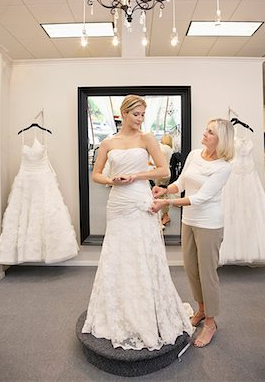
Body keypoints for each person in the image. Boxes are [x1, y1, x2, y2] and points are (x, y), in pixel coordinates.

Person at [82, 95, 194, 350]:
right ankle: (119, 308)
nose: (141, 119)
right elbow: (97, 175)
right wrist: (113, 181)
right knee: (118, 253)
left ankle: (146, 310)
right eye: (136, 114)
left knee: (143, 252)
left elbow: (163, 171)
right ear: (123, 113)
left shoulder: (147, 139)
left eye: (143, 114)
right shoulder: (108, 143)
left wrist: (135, 176)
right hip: (118, 203)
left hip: (139, 199)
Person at [151, 119, 234, 348]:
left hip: (209, 223)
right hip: (189, 221)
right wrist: (166, 189)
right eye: (206, 129)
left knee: (207, 273)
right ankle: (201, 309)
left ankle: (210, 322)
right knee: (191, 269)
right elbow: (182, 182)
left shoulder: (224, 166)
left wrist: (166, 202)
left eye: (210, 132)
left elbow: (202, 197)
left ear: (221, 140)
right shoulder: (194, 155)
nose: (205, 133)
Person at [155, 134, 173, 226]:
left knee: (162, 194)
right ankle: (165, 214)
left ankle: (165, 215)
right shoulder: (169, 149)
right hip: (166, 173)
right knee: (164, 193)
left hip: (162, 174)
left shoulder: (163, 148)